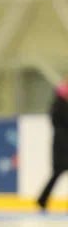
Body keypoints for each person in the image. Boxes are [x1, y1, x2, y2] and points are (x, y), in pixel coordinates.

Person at [36, 80, 68, 212]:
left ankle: (42, 199)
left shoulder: (57, 106)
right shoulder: (60, 107)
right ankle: (42, 199)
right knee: (57, 173)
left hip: (61, 144)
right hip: (62, 146)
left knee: (56, 173)